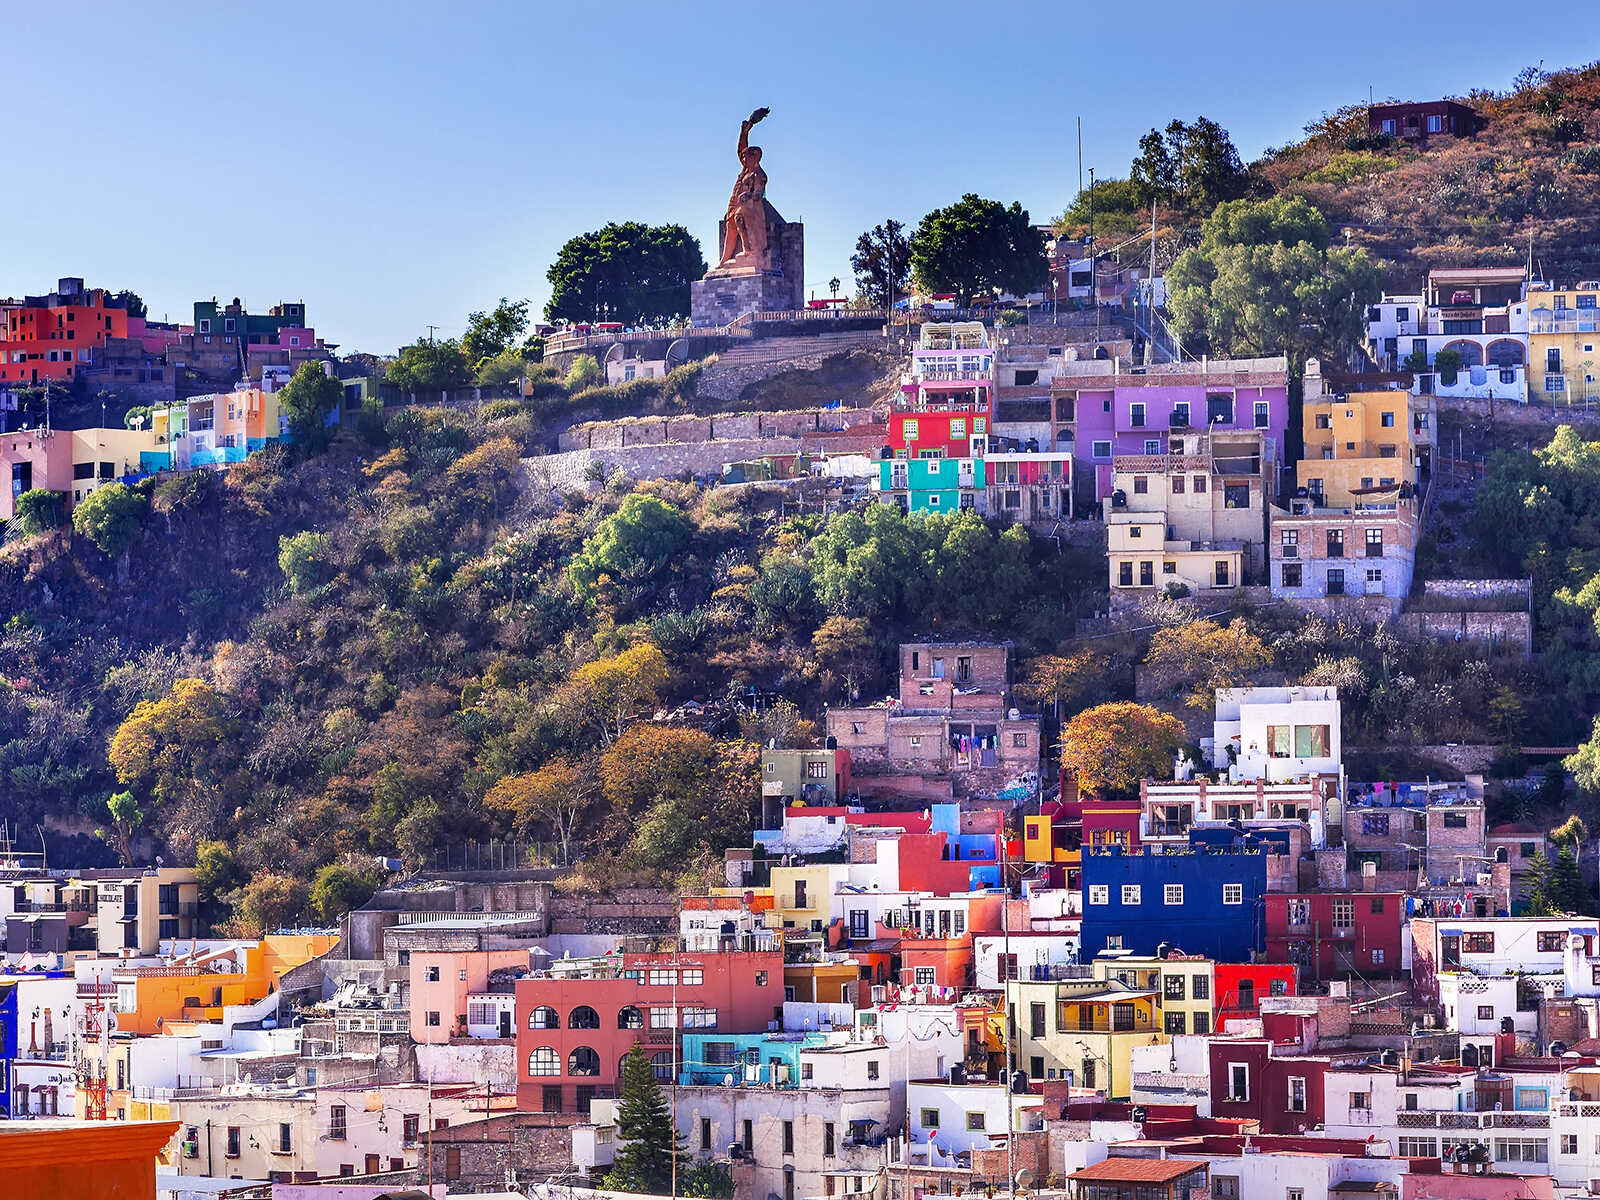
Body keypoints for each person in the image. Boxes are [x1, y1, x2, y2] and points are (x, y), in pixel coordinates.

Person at [720, 107, 770, 268]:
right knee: (731, 227)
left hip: (749, 209)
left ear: (754, 158)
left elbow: (758, 193)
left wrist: (749, 196)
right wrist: (745, 132)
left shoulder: (759, 174)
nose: (743, 158)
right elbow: (740, 150)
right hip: (735, 202)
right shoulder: (746, 169)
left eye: (746, 157)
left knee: (739, 218)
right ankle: (725, 260)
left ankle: (748, 250)